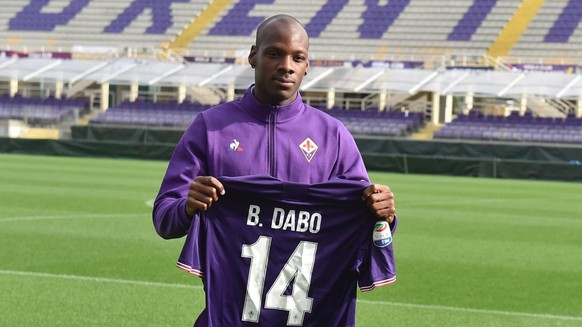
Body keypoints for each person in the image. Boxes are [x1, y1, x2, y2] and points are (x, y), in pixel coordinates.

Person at [153, 14, 398, 325]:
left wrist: (386, 215)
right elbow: (164, 218)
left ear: (307, 65)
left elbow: (367, 223)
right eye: (274, 54)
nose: (286, 65)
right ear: (253, 56)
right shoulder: (211, 127)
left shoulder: (333, 135)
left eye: (298, 57)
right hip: (228, 317)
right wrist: (187, 206)